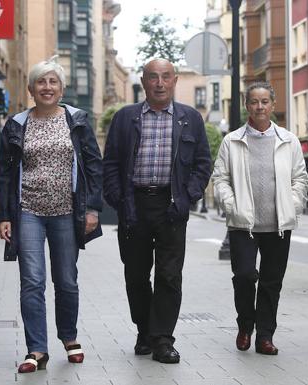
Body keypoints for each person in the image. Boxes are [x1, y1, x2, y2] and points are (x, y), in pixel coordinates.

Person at [0, 56, 104, 373]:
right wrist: (4, 215)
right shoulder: (16, 124)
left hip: (67, 213)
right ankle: (36, 349)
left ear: (62, 88)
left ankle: (69, 338)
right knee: (32, 281)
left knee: (67, 280)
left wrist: (93, 208)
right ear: (31, 89)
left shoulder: (77, 121)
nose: (47, 87)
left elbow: (93, 166)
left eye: (52, 81)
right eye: (40, 82)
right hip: (27, 211)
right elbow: (4, 173)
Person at [102, 58, 212, 364]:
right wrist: (118, 200)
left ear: (175, 80)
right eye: (153, 77)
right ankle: (144, 331)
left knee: (169, 275)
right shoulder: (126, 118)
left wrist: (188, 198)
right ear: (143, 81)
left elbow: (203, 164)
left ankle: (162, 339)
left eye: (165, 77)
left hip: (172, 205)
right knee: (136, 275)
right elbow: (109, 163)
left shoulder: (190, 118)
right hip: (134, 205)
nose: (160, 83)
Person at [212, 82, 308, 355]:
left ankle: (265, 335)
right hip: (244, 224)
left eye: (265, 101)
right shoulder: (232, 141)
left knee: (271, 282)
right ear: (247, 105)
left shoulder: (288, 141)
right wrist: (232, 206)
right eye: (254, 101)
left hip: (278, 225)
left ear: (273, 105)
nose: (260, 106)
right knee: (243, 276)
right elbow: (220, 178)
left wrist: (293, 205)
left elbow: (300, 179)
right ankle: (245, 325)